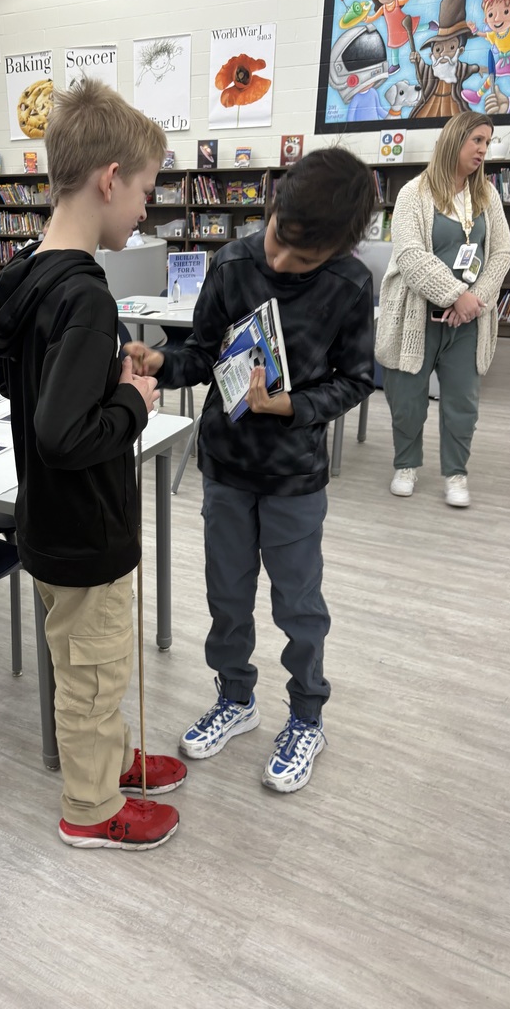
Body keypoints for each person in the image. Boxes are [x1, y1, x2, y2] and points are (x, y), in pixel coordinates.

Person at [126, 148, 376, 793]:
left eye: (304, 258)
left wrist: (291, 405)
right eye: (278, 240)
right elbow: (201, 355)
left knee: (298, 604)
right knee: (226, 597)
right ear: (272, 208)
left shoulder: (350, 285)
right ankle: (236, 698)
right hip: (227, 465)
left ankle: (307, 715)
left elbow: (357, 379)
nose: (282, 262)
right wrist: (160, 364)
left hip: (293, 474)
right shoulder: (232, 262)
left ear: (340, 250)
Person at [0, 79, 186, 851]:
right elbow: (66, 435)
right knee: (93, 670)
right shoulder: (89, 297)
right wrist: (132, 397)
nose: (145, 210)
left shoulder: (31, 275)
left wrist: (105, 375)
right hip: (86, 526)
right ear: (109, 179)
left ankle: (108, 758)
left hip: (49, 521)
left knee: (88, 662)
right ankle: (93, 808)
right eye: (144, 191)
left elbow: (21, 382)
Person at [376, 110, 510, 507]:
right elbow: (409, 254)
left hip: (468, 321)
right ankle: (406, 463)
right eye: (478, 141)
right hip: (416, 316)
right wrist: (456, 294)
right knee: (407, 400)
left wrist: (473, 302)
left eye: (487, 142)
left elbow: (502, 252)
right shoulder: (412, 193)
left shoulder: (486, 195)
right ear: (455, 140)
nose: (484, 150)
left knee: (462, 404)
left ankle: (456, 473)